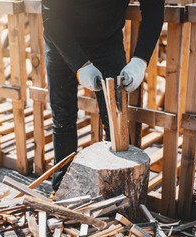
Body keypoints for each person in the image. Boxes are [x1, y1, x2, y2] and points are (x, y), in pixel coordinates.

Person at [42, 0, 165, 198]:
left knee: (115, 119)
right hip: (62, 41)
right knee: (63, 118)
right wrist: (81, 65)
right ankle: (62, 189)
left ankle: (118, 195)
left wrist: (140, 60)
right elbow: (51, 17)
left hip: (106, 42)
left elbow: (154, 8)